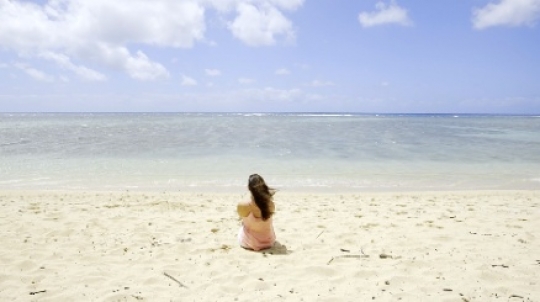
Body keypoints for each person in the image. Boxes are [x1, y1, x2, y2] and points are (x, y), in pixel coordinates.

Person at [237, 174, 276, 251]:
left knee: (243, 224)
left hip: (249, 243)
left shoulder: (243, 204)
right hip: (269, 242)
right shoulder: (271, 204)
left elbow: (241, 217)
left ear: (248, 188)